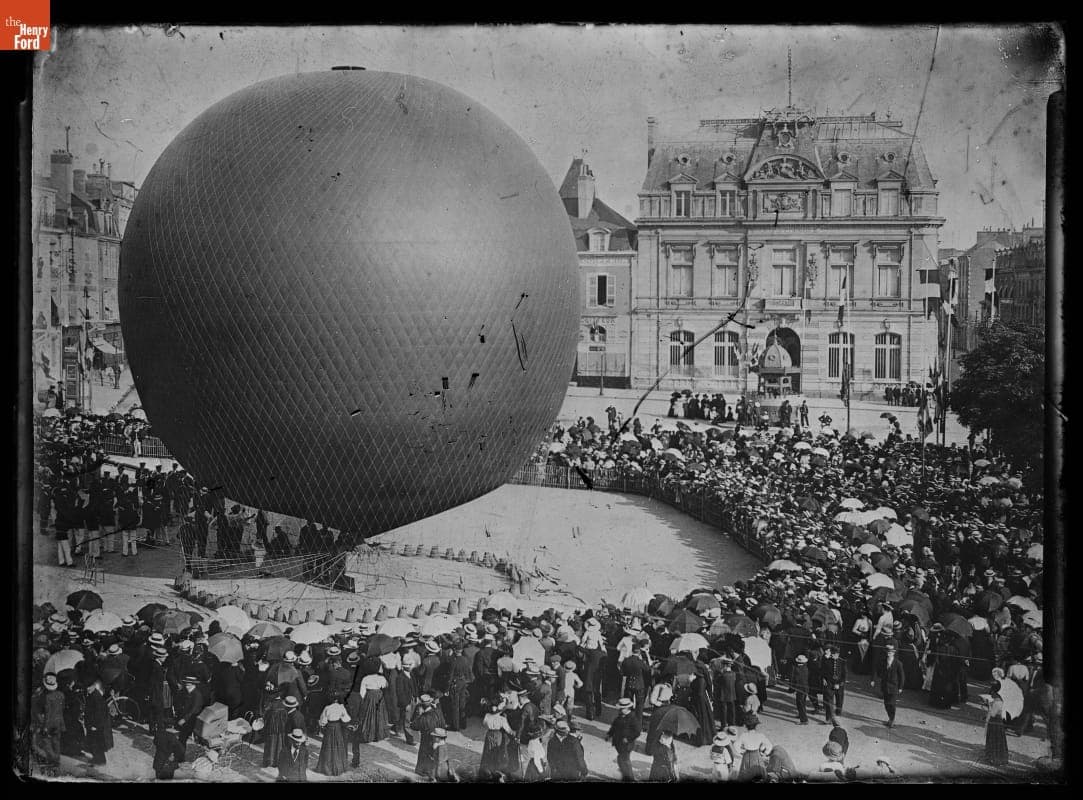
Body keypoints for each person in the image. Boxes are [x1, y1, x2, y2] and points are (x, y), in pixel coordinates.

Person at [410, 693, 446, 778]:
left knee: (424, 753)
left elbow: (414, 726)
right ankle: (432, 771)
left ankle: (423, 770)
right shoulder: (437, 711)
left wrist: (419, 715)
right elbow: (443, 723)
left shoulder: (424, 717)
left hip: (427, 738)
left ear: (421, 707)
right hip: (437, 737)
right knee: (433, 754)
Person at [605, 697, 640, 782]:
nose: (620, 710)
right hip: (618, 743)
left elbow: (637, 732)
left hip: (627, 744)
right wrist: (609, 735)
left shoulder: (633, 718)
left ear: (627, 708)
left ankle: (630, 778)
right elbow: (614, 727)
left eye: (622, 709)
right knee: (621, 760)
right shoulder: (619, 717)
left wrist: (628, 738)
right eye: (620, 709)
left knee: (624, 760)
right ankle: (626, 776)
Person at [478, 699, 514, 781]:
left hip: (489, 734)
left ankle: (486, 770)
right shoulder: (502, 719)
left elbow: (484, 724)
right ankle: (494, 770)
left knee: (487, 751)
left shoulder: (487, 715)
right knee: (496, 751)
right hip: (498, 735)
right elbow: (508, 730)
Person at [872, 642, 905, 728]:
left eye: (890, 652)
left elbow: (902, 676)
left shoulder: (898, 663)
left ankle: (892, 719)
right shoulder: (883, 662)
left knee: (892, 704)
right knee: (886, 704)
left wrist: (901, 687)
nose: (888, 654)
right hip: (885, 686)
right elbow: (878, 671)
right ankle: (890, 718)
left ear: (893, 653)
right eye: (887, 652)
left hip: (894, 687)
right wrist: (876, 678)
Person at [733, 713, 772, 782]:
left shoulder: (743, 735)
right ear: (756, 726)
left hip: (747, 755)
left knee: (745, 773)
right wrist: (765, 753)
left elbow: (735, 745)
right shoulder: (760, 735)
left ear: (746, 726)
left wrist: (741, 752)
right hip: (757, 755)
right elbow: (769, 745)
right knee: (759, 772)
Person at [83, 679, 113, 767]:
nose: (87, 689)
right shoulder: (92, 695)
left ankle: (100, 761)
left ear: (93, 686)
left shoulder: (96, 697)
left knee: (97, 745)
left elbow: (100, 714)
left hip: (96, 726)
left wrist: (95, 725)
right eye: (86, 687)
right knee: (93, 744)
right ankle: (97, 759)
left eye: (89, 687)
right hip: (92, 724)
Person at [983, 682, 1010, 767]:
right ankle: (995, 757)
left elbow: (992, 713)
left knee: (994, 739)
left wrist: (988, 705)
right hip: (999, 722)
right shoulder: (1001, 700)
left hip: (994, 721)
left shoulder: (997, 702)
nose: (991, 694)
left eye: (992, 693)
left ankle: (994, 758)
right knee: (998, 739)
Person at [792, 653, 810, 724]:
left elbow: (796, 679)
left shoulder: (798, 669)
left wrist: (794, 688)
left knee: (800, 703)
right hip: (805, 688)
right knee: (803, 702)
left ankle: (804, 720)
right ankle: (801, 715)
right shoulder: (805, 668)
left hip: (800, 688)